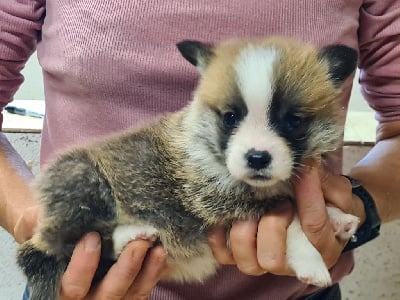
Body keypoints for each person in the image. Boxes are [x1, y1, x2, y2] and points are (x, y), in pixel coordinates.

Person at [0, 1, 399, 299]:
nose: (258, 147)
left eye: (291, 122)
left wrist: (357, 203)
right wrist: (32, 222)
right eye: (230, 118)